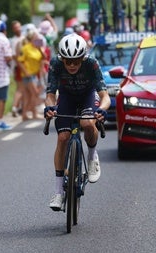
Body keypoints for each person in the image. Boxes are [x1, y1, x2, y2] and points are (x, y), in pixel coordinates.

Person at [44, 33, 110, 211]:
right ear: (62, 58)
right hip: (66, 97)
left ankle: (92, 156)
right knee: (63, 137)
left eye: (76, 61)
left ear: (83, 58)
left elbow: (105, 96)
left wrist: (102, 109)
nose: (72, 65)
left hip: (88, 96)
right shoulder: (55, 64)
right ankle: (58, 192)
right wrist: (50, 108)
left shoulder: (91, 63)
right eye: (68, 61)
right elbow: (50, 95)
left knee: (88, 123)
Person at [17, 29, 45, 121]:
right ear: (31, 38)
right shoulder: (26, 48)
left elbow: (44, 57)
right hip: (28, 75)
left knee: (29, 96)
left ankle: (27, 114)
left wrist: (40, 48)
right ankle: (30, 113)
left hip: (35, 74)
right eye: (35, 37)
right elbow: (20, 61)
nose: (37, 39)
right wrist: (26, 72)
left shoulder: (37, 48)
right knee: (35, 93)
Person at [9, 20, 25, 118]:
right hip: (19, 67)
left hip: (25, 67)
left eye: (19, 26)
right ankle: (15, 107)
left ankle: (20, 108)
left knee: (24, 89)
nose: (18, 29)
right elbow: (14, 56)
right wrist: (20, 66)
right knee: (20, 88)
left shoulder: (24, 38)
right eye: (16, 27)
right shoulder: (13, 40)